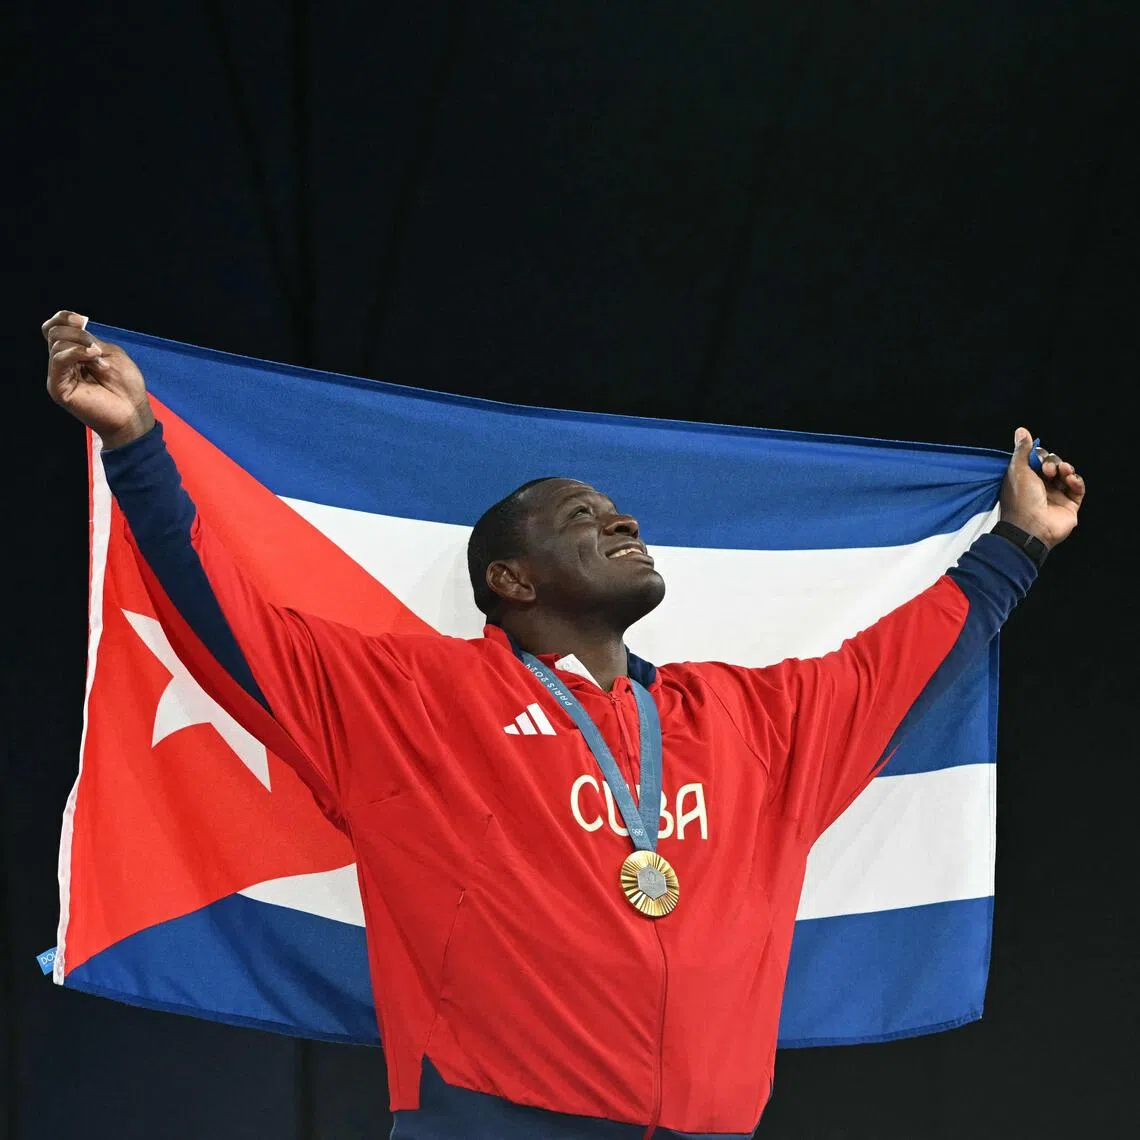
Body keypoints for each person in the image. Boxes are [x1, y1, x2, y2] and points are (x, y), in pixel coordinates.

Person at [42, 310, 1085, 1139]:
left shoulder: (743, 720)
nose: (623, 521)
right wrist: (136, 444)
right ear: (511, 579)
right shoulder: (415, 702)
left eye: (619, 513)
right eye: (581, 518)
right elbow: (232, 623)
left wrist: (1019, 545)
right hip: (493, 1120)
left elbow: (889, 671)